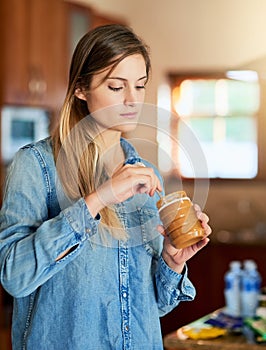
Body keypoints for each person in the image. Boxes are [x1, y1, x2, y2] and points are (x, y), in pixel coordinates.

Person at [0, 24, 211, 349]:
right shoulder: (37, 165)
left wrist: (172, 259)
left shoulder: (145, 174)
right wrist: (98, 199)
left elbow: (150, 307)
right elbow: (15, 276)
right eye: (116, 86)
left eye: (140, 86)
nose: (132, 100)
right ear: (81, 89)